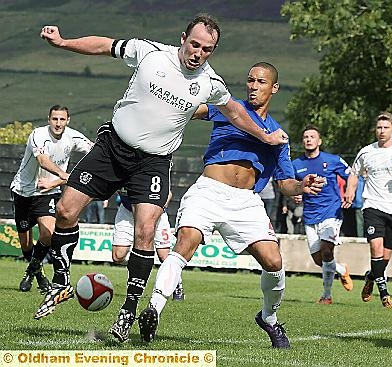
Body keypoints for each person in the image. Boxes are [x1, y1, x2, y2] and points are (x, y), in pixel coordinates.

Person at [34, 15, 289, 326]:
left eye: (207, 49)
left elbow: (234, 111)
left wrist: (264, 136)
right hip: (113, 147)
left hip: (152, 163)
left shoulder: (210, 82)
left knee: (145, 232)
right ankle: (60, 282)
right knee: (65, 210)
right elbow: (105, 45)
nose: (199, 53)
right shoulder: (150, 52)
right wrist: (63, 42)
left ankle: (128, 311)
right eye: (194, 44)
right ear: (183, 39)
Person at [137, 62, 325, 348]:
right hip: (209, 191)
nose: (253, 86)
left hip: (245, 202)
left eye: (261, 82)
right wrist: (161, 101)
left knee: (274, 262)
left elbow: (285, 185)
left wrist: (302, 186)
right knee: (186, 241)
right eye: (250, 80)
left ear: (273, 88)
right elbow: (191, 108)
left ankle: (269, 319)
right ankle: (153, 310)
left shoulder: (278, 136)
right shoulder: (229, 109)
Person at [10, 105, 93, 293]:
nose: (58, 123)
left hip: (48, 193)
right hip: (23, 191)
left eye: (62, 119)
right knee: (25, 242)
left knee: (48, 234)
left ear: (68, 120)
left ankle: (30, 272)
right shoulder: (37, 135)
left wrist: (57, 182)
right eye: (55, 119)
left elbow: (95, 153)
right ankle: (37, 273)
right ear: (49, 119)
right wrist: (64, 175)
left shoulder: (74, 137)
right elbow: (42, 160)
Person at [344, 112, 392, 309]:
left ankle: (371, 276)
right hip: (373, 206)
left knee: (385, 258)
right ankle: (384, 293)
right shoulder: (366, 152)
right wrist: (350, 191)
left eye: (385, 128)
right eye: (379, 128)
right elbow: (354, 173)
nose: (381, 131)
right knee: (375, 249)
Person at [292, 126, 354, 304]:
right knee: (319, 260)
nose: (308, 139)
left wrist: (350, 191)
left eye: (312, 137)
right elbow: (291, 184)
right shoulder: (297, 164)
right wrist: (295, 192)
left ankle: (326, 296)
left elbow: (351, 175)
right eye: (305, 137)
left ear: (319, 141)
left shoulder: (332, 160)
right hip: (310, 215)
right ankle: (342, 270)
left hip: (331, 212)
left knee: (327, 251)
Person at [111, 190, 185, 307]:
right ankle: (141, 266)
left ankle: (177, 283)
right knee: (118, 256)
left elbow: (169, 193)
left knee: (164, 257)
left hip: (154, 213)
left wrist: (158, 209)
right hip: (127, 212)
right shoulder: (117, 172)